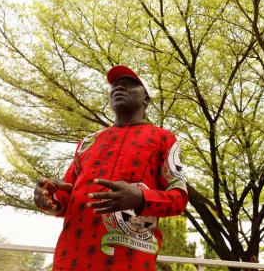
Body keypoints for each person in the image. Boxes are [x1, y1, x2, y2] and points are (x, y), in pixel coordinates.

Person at [34, 65, 188, 270]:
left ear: (146, 99)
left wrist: (141, 198)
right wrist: (48, 199)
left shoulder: (164, 139)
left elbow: (179, 199)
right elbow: (64, 203)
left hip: (129, 260)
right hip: (70, 257)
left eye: (130, 84)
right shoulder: (87, 142)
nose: (119, 87)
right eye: (115, 85)